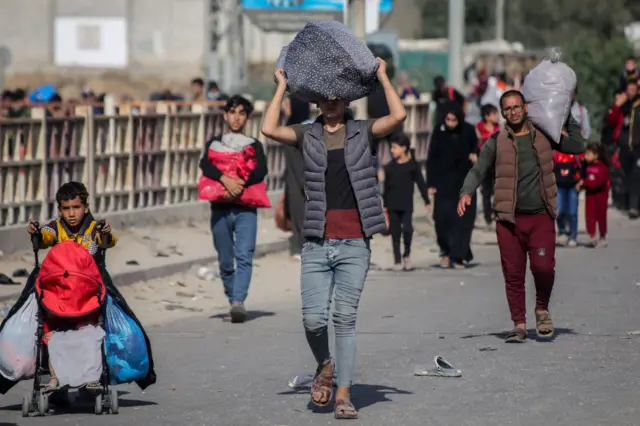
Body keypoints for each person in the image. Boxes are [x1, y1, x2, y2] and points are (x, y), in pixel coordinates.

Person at [261, 58, 406, 419]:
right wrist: (281, 86)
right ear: (316, 103)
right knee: (313, 319)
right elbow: (268, 128)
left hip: (355, 242)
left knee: (344, 318)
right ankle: (324, 365)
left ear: (346, 101)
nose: (330, 102)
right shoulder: (306, 134)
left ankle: (343, 392)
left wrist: (384, 76)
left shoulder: (363, 130)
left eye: (336, 97)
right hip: (316, 242)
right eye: (324, 98)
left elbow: (399, 117)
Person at [458, 90, 586, 343]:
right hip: (509, 220)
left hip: (541, 217)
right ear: (503, 113)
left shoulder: (545, 135)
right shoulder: (497, 141)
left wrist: (567, 112)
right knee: (513, 274)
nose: (513, 112)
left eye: (516, 107)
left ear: (525, 108)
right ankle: (518, 323)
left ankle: (542, 309)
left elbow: (578, 145)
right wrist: (466, 191)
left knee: (543, 268)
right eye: (507, 109)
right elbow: (479, 168)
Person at [27, 181, 117, 393]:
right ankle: (56, 378)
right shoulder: (55, 228)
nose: (71, 214)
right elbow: (43, 239)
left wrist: (106, 232)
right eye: (66, 209)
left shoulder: (94, 229)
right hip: (59, 296)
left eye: (76, 207)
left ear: (86, 208)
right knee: (53, 335)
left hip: (88, 296)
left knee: (90, 334)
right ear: (60, 210)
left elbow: (109, 241)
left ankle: (91, 377)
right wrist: (35, 232)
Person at [199, 96, 268, 323]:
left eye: (241, 113)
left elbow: (260, 171)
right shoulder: (215, 143)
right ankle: (233, 301)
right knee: (226, 261)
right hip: (220, 208)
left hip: (246, 209)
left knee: (245, 256)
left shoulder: (253, 145)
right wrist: (224, 180)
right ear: (225, 115)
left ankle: (239, 301)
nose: (236, 117)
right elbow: (205, 165)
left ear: (247, 117)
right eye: (232, 112)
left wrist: (238, 186)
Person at [427, 101, 478, 269]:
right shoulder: (439, 132)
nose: (450, 123)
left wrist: (474, 156)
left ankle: (458, 256)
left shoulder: (468, 131)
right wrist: (431, 183)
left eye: (453, 120)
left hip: (464, 183)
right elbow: (432, 158)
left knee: (462, 221)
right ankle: (446, 252)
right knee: (442, 220)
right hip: (443, 183)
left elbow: (476, 151)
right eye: (448, 120)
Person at [383, 135, 430, 271]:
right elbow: (385, 188)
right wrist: (384, 206)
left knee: (408, 229)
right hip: (392, 205)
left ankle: (407, 254)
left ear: (404, 148)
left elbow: (421, 183)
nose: (392, 150)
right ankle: (397, 260)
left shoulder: (412, 167)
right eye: (391, 147)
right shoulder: (389, 167)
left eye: (395, 147)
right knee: (395, 232)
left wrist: (426, 200)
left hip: (406, 204)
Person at [282, 95, 311, 260]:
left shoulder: (302, 129)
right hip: (296, 178)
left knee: (302, 212)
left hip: (302, 178)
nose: (285, 108)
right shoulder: (294, 127)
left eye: (287, 104)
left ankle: (302, 248)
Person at [582, 142, 610, 248]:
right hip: (590, 196)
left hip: (601, 197)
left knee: (601, 217)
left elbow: (597, 183)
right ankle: (592, 236)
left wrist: (584, 183)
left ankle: (602, 237)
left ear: (596, 155)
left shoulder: (602, 167)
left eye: (589, 154)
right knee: (590, 216)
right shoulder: (586, 166)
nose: (586, 156)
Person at [476, 104, 500, 228]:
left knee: (498, 191)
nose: (497, 117)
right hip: (484, 164)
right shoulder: (478, 129)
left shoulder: (499, 129)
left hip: (497, 163)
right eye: (494, 114)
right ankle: (487, 217)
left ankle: (497, 214)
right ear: (487, 116)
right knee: (486, 191)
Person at [554, 149, 582, 247]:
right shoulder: (555, 152)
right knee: (560, 210)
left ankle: (573, 236)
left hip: (573, 186)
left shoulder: (575, 151)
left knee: (572, 212)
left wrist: (581, 181)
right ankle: (562, 232)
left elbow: (583, 166)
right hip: (559, 186)